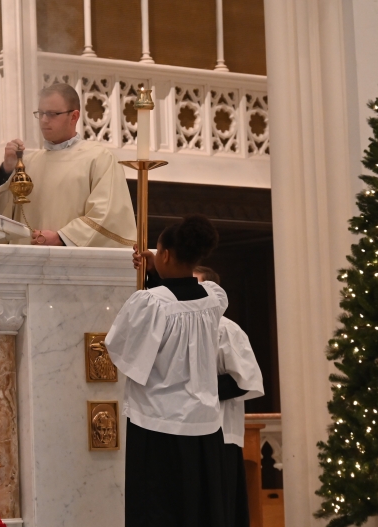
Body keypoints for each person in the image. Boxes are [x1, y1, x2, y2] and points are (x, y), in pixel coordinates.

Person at [104, 216, 229, 527]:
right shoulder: (213, 297)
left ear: (166, 255)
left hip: (158, 426)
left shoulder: (150, 303)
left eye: (157, 250)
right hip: (205, 427)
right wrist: (154, 271)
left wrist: (151, 281)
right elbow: (181, 298)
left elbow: (123, 351)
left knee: (159, 511)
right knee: (197, 511)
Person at [0, 82, 136, 247]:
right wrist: (7, 168)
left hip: (72, 266)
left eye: (52, 114)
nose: (44, 120)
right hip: (23, 266)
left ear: (74, 116)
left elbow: (108, 215)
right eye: (41, 113)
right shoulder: (26, 163)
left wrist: (62, 238)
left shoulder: (99, 158)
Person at [193, 266, 264, 527]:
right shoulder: (180, 324)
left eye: (194, 286)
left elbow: (243, 381)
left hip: (219, 433)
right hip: (188, 430)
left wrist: (195, 389)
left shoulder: (226, 329)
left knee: (219, 509)